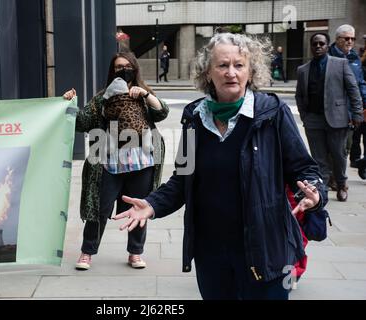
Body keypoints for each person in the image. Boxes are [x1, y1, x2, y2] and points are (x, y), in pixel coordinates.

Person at [114, 33, 328, 300]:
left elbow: (305, 169)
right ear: (208, 72)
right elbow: (183, 179)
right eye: (222, 65)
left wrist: (315, 194)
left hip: (266, 249)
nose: (231, 73)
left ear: (251, 71)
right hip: (211, 252)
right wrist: (152, 204)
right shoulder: (195, 117)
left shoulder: (272, 113)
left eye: (239, 65)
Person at [63, 52, 169, 271]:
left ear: (135, 69)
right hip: (108, 165)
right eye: (118, 67)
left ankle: (135, 253)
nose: (123, 70)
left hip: (142, 164)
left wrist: (145, 96)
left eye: (127, 66)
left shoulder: (143, 94)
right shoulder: (102, 97)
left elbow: (162, 112)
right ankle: (87, 252)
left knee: (138, 208)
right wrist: (70, 103)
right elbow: (81, 122)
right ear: (112, 71)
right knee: (99, 209)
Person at [296, 33, 363, 202]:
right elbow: (299, 96)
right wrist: (305, 117)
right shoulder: (302, 70)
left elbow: (353, 90)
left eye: (321, 43)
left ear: (327, 46)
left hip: (337, 119)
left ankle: (341, 184)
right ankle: (322, 189)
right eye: (315, 44)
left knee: (338, 155)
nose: (318, 46)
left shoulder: (340, 64)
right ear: (311, 47)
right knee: (318, 158)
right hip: (313, 120)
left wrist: (356, 114)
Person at [328, 25, 366, 169]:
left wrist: (364, 101)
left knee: (346, 146)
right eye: (346, 38)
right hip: (333, 110)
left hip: (350, 111)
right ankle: (335, 178)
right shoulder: (329, 56)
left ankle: (337, 176)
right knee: (334, 147)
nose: (350, 41)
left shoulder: (355, 58)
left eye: (352, 38)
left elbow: (360, 82)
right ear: (337, 39)